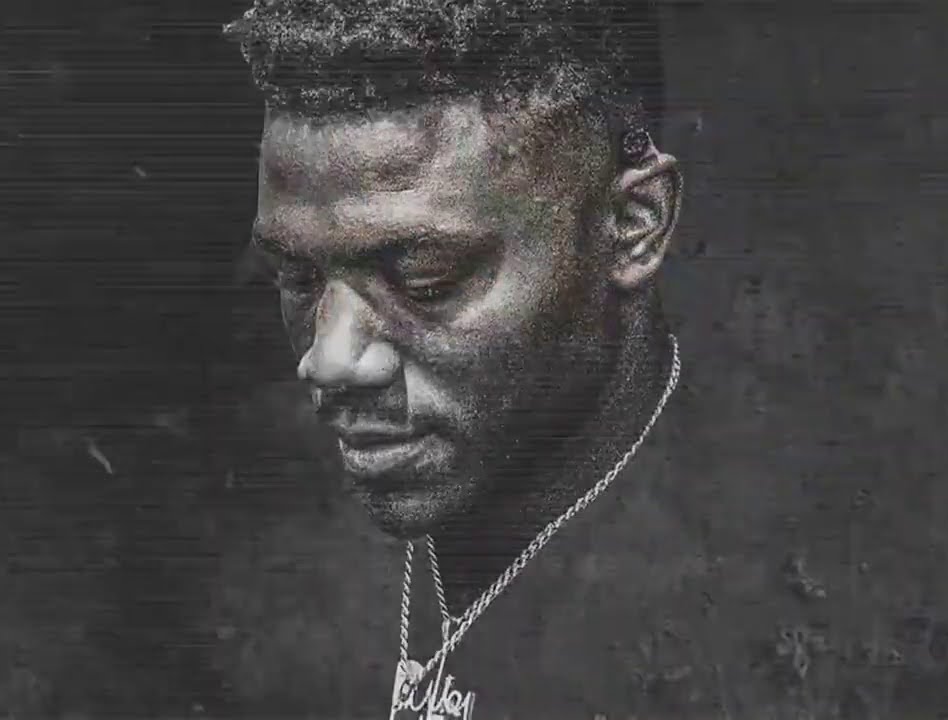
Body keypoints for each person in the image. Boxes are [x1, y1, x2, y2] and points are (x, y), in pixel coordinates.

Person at [225, 0, 685, 716]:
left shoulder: (786, 617)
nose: (329, 359)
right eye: (297, 277)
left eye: (426, 279)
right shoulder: (247, 588)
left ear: (631, 225)